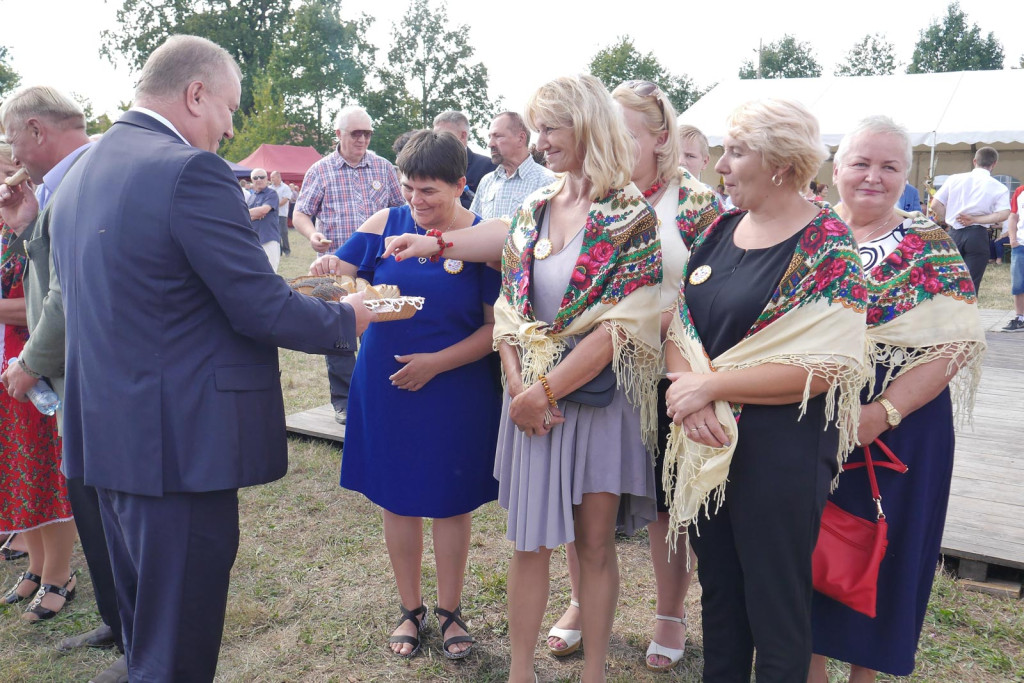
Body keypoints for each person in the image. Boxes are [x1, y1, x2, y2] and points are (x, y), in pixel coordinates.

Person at [47, 35, 374, 683]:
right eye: (228, 106)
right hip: (178, 450)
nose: (229, 125)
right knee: (177, 653)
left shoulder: (80, 170)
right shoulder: (189, 171)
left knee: (147, 638)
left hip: (108, 441)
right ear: (195, 93)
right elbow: (259, 306)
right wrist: (352, 316)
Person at [662, 98, 867, 682]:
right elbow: (680, 324)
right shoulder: (722, 228)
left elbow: (827, 364)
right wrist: (690, 392)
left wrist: (710, 388)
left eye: (735, 151)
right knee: (720, 596)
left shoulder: (828, 246)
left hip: (782, 453)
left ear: (779, 164)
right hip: (707, 442)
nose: (720, 166)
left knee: (777, 609)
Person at [545, 80, 721, 673]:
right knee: (584, 497)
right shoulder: (593, 194)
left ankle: (669, 612)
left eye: (626, 132)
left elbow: (722, 284)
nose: (611, 141)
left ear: (659, 137)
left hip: (669, 374)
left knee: (667, 501)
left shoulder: (695, 202)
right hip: (597, 370)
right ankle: (579, 599)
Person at [310, 129, 500, 660]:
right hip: (387, 385)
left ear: (462, 185)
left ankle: (451, 610)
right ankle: (410, 609)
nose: (416, 202)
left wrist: (436, 364)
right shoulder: (384, 225)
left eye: (430, 192)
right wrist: (330, 274)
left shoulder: (482, 240)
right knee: (397, 498)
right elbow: (336, 287)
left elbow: (493, 329)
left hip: (455, 387)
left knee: (451, 500)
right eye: (409, 188)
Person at [809, 115, 987, 682]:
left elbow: (954, 343)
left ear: (907, 176)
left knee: (886, 560)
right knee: (804, 558)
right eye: (860, 163)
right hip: (808, 419)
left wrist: (880, 414)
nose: (873, 177)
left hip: (904, 428)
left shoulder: (926, 244)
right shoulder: (808, 234)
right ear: (835, 168)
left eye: (889, 167)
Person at [0, 87, 128, 683]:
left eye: (11, 141)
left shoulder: (91, 176)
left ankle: (137, 635)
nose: (12, 156)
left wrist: (28, 360)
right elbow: (53, 271)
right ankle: (118, 620)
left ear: (33, 129)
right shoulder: (60, 187)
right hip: (81, 379)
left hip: (101, 376)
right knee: (90, 505)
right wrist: (27, 228)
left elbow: (64, 295)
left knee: (114, 516)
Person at [0, 142, 77, 624]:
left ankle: (60, 574)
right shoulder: (10, 224)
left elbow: (47, 298)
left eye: (8, 166)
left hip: (39, 362)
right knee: (23, 467)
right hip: (12, 361)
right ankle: (35, 566)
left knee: (49, 469)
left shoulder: (42, 216)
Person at [293, 104, 404, 425]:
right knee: (339, 335)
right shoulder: (320, 170)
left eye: (368, 133)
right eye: (356, 133)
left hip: (377, 270)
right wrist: (312, 234)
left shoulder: (384, 168)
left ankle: (379, 395)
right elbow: (301, 212)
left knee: (380, 334)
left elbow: (401, 211)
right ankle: (343, 402)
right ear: (338, 135)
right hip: (335, 269)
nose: (363, 139)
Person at [930, 147, 1010, 295]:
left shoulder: (954, 178)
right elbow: (1004, 213)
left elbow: (935, 204)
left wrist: (949, 220)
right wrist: (976, 219)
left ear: (975, 161)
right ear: (994, 164)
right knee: (971, 284)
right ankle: (968, 315)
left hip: (954, 233)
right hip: (978, 235)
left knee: (948, 280)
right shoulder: (999, 187)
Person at [469, 111, 554, 219]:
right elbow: (474, 225)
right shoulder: (487, 181)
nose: (490, 144)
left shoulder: (547, 182)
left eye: (498, 136)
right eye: (490, 137)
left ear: (521, 138)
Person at [433, 110, 497, 208]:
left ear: (463, 135)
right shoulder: (430, 166)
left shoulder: (487, 166)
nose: (438, 140)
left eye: (444, 135)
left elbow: (487, 207)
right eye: (435, 136)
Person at [246, 167, 279, 270]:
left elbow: (263, 210)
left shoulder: (271, 193)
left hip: (268, 238)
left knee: (270, 271)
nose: (259, 180)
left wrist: (247, 212)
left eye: (262, 177)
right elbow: (246, 218)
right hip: (254, 241)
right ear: (252, 180)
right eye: (255, 178)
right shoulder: (251, 197)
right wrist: (255, 214)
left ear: (267, 179)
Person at [1004, 185, 1024, 332]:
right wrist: (1013, 239)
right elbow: (1013, 216)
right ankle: (1020, 318)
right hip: (1020, 245)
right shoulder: (1020, 191)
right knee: (1018, 284)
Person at [269, 171, 291, 256]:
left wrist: (272, 207)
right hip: (271, 214)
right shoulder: (270, 188)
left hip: (281, 214)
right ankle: (279, 250)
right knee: (274, 233)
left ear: (278, 177)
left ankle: (287, 250)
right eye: (271, 178)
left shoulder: (285, 188)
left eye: (273, 177)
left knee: (283, 232)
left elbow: (284, 200)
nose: (271, 179)